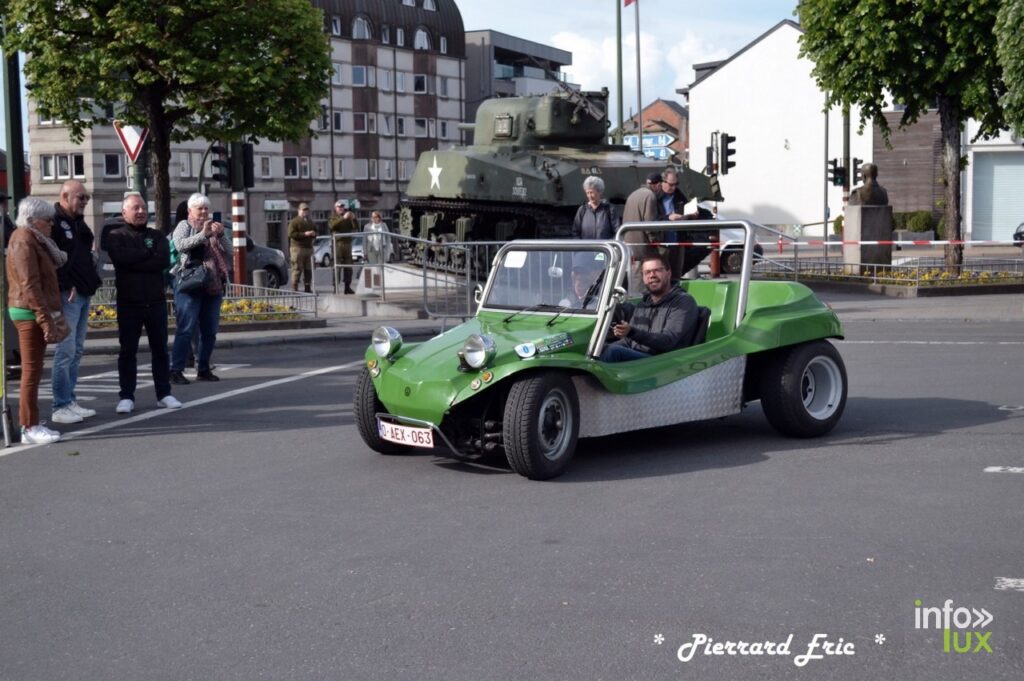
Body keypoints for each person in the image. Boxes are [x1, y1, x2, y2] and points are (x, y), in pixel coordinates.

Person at [106, 194, 181, 414]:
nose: (140, 211)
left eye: (143, 207)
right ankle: (126, 395)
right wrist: (146, 255)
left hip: (156, 301)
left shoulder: (157, 235)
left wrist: (138, 257)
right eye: (135, 208)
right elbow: (120, 259)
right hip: (129, 303)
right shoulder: (115, 235)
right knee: (128, 351)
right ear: (124, 213)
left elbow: (163, 260)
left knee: (160, 350)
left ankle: (164, 393)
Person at [6, 197, 69, 444]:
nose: (51, 224)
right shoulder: (24, 240)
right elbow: (30, 284)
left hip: (29, 309)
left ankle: (30, 421)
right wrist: (45, 319)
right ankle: (29, 426)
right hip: (28, 311)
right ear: (33, 220)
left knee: (33, 370)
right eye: (47, 220)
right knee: (31, 372)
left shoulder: (29, 238)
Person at [49, 180, 103, 425]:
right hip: (68, 294)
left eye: (86, 198)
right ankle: (60, 405)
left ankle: (69, 400)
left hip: (83, 290)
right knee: (65, 350)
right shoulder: (54, 222)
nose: (84, 202)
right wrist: (64, 283)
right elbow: (51, 260)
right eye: (80, 198)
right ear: (65, 195)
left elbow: (86, 246)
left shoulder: (78, 222)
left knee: (77, 350)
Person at [169, 193, 230, 385]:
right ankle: (176, 370)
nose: (203, 212)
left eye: (206, 208)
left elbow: (229, 250)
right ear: (190, 211)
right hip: (190, 284)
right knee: (185, 329)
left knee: (210, 330)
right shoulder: (184, 226)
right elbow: (180, 245)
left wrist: (220, 235)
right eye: (199, 208)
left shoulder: (213, 226)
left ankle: (203, 368)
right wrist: (203, 234)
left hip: (213, 284)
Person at [600, 253, 698, 362]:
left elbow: (668, 341)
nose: (652, 275)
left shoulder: (683, 302)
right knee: (600, 350)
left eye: (657, 270)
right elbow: (628, 342)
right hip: (642, 358)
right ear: (643, 277)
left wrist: (631, 332)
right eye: (647, 272)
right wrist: (602, 347)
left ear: (668, 273)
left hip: (666, 361)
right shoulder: (644, 304)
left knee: (613, 352)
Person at [328, 201, 357, 294]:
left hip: (347, 244)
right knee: (337, 267)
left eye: (342, 206)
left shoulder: (348, 217)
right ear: (335, 208)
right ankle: (336, 288)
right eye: (339, 207)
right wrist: (343, 218)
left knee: (348, 266)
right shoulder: (333, 217)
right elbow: (332, 226)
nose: (341, 208)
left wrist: (353, 218)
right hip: (338, 244)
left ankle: (347, 287)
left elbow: (356, 227)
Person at [287, 202, 316, 292]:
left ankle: (307, 287)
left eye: (306, 210)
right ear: (299, 211)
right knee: (297, 268)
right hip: (297, 248)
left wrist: (314, 234)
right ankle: (295, 289)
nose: (305, 212)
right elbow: (291, 234)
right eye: (303, 210)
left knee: (308, 269)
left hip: (308, 248)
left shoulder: (310, 221)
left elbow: (316, 230)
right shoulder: (294, 222)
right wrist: (304, 234)